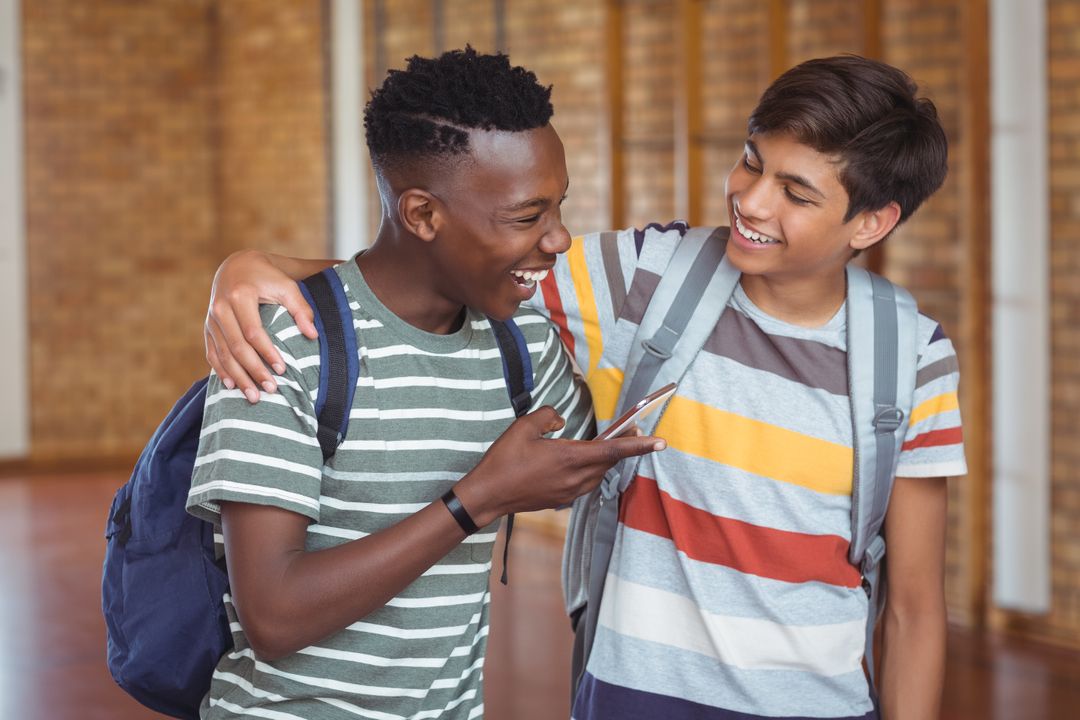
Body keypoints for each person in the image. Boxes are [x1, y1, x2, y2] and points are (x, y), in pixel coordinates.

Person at [206, 55, 966, 720]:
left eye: (796, 193)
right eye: (751, 161)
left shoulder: (910, 359)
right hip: (633, 695)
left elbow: (914, 609)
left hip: (817, 705)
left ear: (871, 223)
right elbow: (441, 258)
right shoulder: (646, 277)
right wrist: (249, 267)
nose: (753, 200)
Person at [187, 47, 664, 720]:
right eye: (529, 216)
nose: (558, 241)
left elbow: (577, 466)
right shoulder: (283, 344)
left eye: (558, 209)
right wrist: (476, 501)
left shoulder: (520, 342)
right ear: (422, 215)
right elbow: (276, 615)